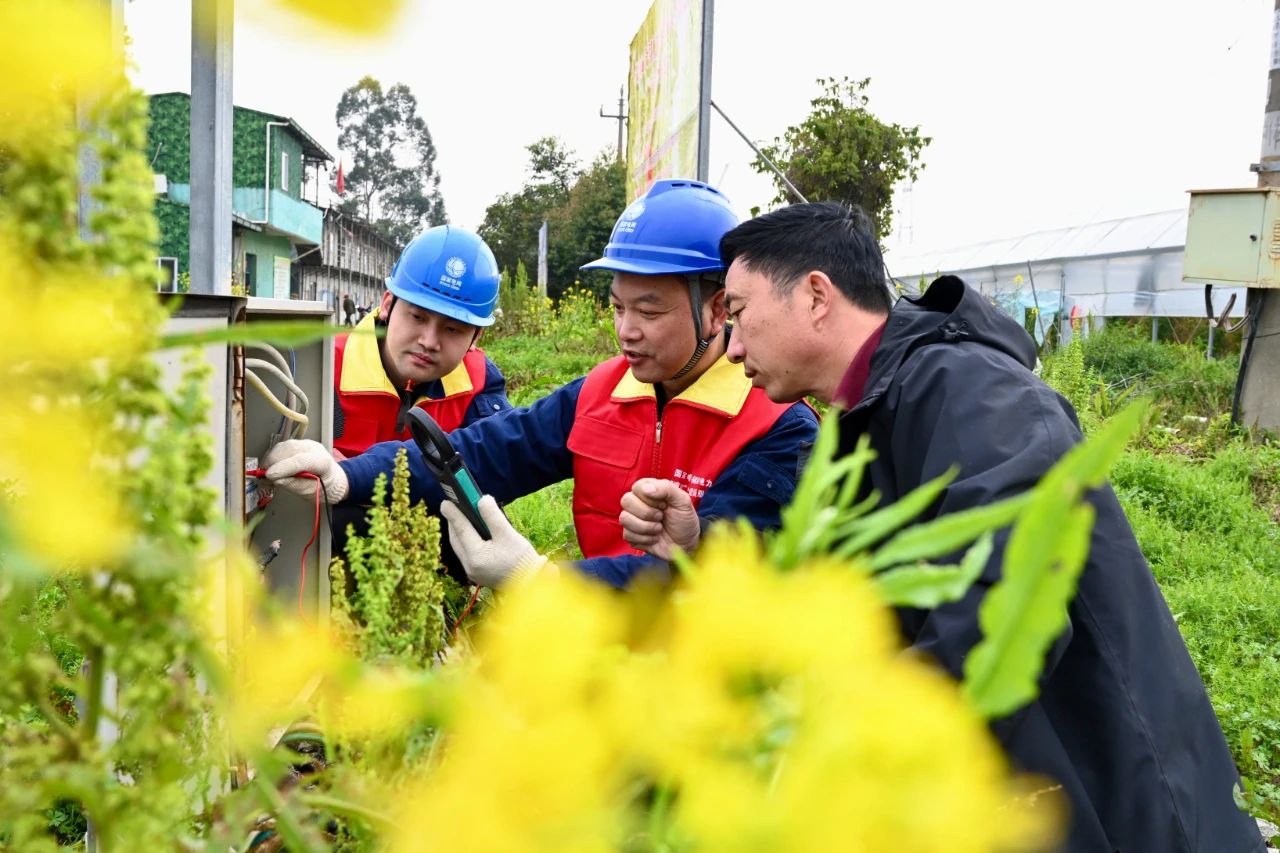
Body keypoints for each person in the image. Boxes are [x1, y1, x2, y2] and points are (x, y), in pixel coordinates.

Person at [617, 201, 1265, 853]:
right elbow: (840, 594)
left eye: (739, 312)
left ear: (816, 296)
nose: (730, 345)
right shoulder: (858, 423)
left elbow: (1003, 605)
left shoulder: (976, 394)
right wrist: (703, 542)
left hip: (1112, 805)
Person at [263, 179, 818, 589]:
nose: (626, 331)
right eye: (619, 306)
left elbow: (713, 585)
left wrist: (539, 582)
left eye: (648, 311)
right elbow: (483, 453)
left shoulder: (777, 428)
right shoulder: (602, 392)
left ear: (717, 308)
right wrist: (345, 476)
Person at [332, 225, 511, 459]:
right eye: (417, 317)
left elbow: (495, 465)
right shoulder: (324, 367)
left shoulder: (480, 382)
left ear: (476, 337)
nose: (429, 342)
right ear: (387, 305)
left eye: (452, 329)